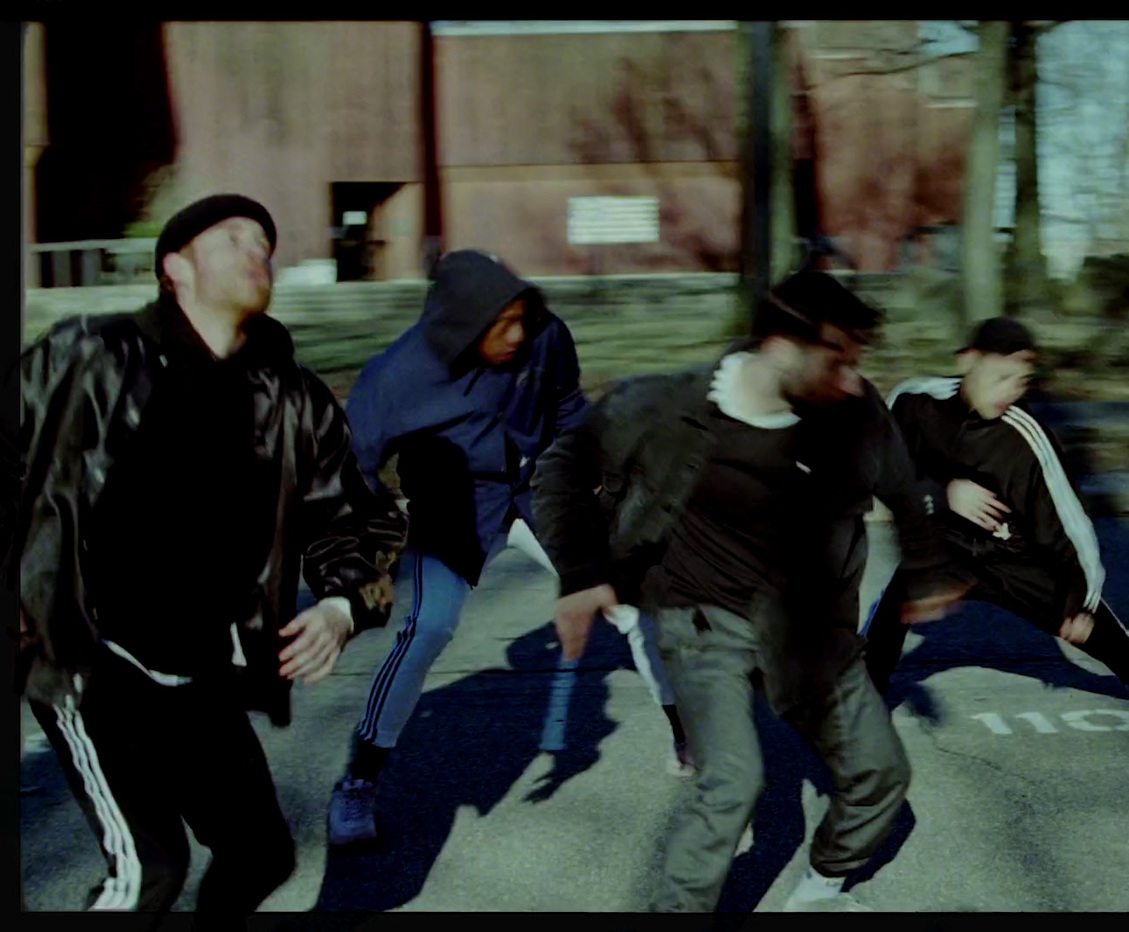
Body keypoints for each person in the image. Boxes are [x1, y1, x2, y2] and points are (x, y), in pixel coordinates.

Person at [5, 194, 408, 921]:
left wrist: (345, 608)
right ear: (175, 268)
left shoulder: (290, 398)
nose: (257, 251)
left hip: (202, 673)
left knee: (261, 855)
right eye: (232, 239)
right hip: (91, 659)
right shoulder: (87, 358)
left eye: (265, 241)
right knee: (149, 871)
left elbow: (359, 519)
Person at [530, 270, 970, 912]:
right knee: (732, 785)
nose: (852, 378)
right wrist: (581, 574)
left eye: (856, 362)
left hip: (806, 626)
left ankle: (819, 889)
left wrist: (928, 566)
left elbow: (901, 486)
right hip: (701, 620)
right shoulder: (668, 405)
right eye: (836, 359)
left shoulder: (852, 409)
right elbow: (561, 470)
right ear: (781, 346)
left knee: (881, 775)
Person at [326, 250, 689, 848]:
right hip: (453, 512)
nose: (517, 334)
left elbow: (570, 409)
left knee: (630, 604)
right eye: (501, 325)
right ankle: (358, 781)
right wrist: (369, 546)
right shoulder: (395, 379)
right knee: (428, 629)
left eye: (522, 317)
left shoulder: (544, 338)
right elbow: (351, 473)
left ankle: (685, 734)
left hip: (537, 494)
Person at [864, 317, 1129, 711]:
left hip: (1014, 555)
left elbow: (1069, 526)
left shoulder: (1024, 437)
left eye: (1020, 380)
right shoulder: (915, 401)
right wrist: (944, 493)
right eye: (1000, 377)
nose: (1009, 391)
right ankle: (863, 694)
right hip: (945, 546)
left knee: (1089, 625)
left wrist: (1078, 601)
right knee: (893, 610)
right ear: (968, 361)